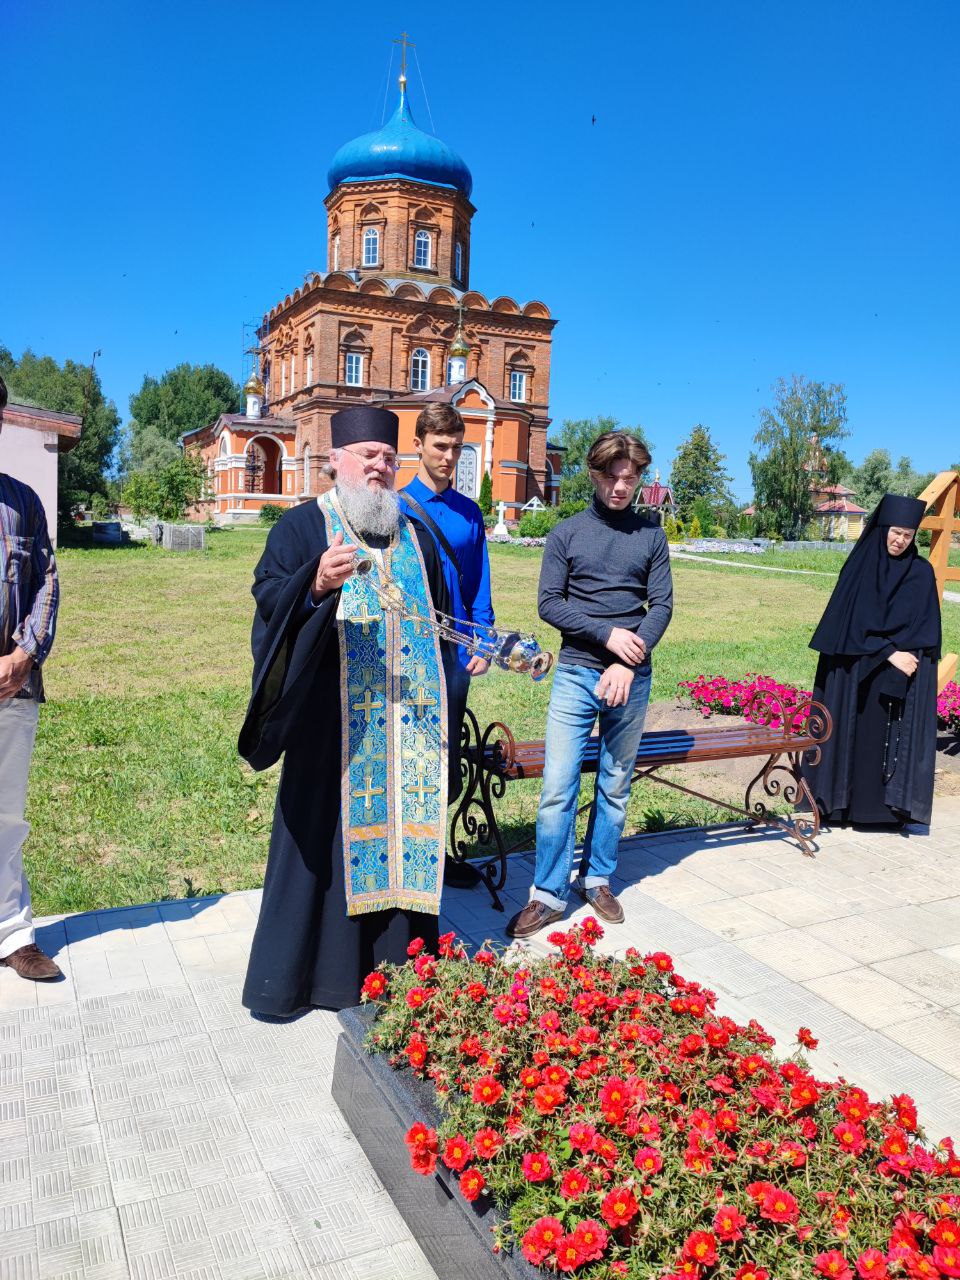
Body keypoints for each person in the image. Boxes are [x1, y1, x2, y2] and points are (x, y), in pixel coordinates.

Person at [239, 405, 461, 1016]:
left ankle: (399, 967)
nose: (379, 467)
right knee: (322, 839)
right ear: (337, 459)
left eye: (388, 457)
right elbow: (268, 599)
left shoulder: (415, 535)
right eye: (367, 455)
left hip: (406, 728)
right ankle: (314, 979)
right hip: (328, 723)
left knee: (399, 833)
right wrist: (313, 584)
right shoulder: (302, 527)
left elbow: (442, 619)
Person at [507, 431, 673, 939]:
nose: (621, 487)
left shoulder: (651, 535)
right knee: (558, 787)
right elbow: (549, 604)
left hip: (631, 676)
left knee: (615, 784)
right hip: (577, 673)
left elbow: (662, 606)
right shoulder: (567, 534)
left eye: (631, 478)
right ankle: (548, 893)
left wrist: (626, 661)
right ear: (595, 474)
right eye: (612, 477)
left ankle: (597, 878)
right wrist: (607, 636)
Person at [803, 493, 940, 829]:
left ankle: (883, 812)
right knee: (849, 735)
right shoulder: (860, 567)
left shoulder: (921, 572)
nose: (900, 540)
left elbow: (925, 627)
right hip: (855, 673)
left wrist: (904, 659)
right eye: (896, 532)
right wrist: (888, 652)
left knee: (882, 743)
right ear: (882, 529)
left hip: (896, 676)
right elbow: (846, 626)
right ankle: (838, 807)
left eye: (908, 535)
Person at [0, 374, 62, 981]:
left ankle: (13, 933)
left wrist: (24, 655)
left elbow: (46, 580)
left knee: (5, 815)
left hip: (11, 684)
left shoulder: (23, 501)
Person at [399, 403, 494, 681]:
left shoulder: (469, 512)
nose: (450, 457)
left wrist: (485, 641)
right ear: (418, 445)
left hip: (457, 645)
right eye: (440, 446)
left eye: (457, 448)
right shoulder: (393, 508)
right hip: (406, 643)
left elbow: (478, 581)